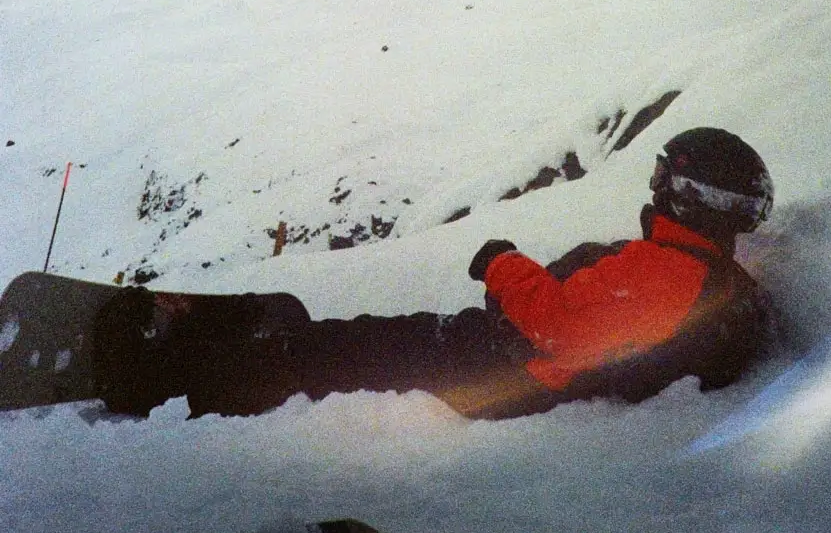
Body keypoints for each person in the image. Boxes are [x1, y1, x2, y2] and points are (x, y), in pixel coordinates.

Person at [95, 128, 774, 420]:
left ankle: (152, 378)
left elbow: (559, 326)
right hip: (510, 361)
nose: (653, 185)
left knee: (332, 361)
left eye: (664, 174)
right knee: (356, 341)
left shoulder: (671, 273)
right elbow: (595, 319)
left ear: (691, 195)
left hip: (499, 372)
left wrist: (501, 263)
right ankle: (233, 347)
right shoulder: (701, 273)